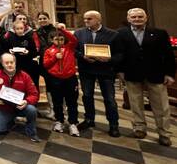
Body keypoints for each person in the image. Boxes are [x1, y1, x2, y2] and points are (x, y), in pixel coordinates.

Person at [115, 8, 175, 146]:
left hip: (155, 73)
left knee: (161, 105)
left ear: (146, 18)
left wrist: (169, 74)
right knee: (136, 103)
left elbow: (168, 55)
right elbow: (119, 53)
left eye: (140, 17)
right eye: (134, 17)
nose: (137, 19)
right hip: (132, 73)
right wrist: (120, 71)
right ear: (128, 18)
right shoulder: (120, 33)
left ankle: (164, 133)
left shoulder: (159, 33)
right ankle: (140, 128)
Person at [74, 10, 120, 137]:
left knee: (109, 99)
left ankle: (113, 124)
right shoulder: (79, 33)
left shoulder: (113, 34)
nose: (86, 21)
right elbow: (74, 50)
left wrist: (109, 59)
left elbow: (120, 54)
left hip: (105, 70)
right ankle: (89, 119)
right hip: (86, 70)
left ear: (98, 20)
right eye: (85, 19)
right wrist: (83, 56)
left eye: (89, 19)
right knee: (87, 96)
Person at [0, 53, 40, 142]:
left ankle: (31, 130)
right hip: (5, 108)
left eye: (11, 62)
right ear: (2, 64)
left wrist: (26, 101)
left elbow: (35, 94)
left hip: (21, 107)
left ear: (15, 63)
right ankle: (11, 119)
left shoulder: (24, 76)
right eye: (6, 63)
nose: (9, 65)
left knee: (32, 110)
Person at [43, 24, 80, 137]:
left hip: (70, 79)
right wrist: (55, 57)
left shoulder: (69, 47)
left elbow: (74, 39)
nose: (59, 41)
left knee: (72, 102)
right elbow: (46, 64)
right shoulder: (49, 51)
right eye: (56, 39)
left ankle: (73, 122)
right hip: (55, 79)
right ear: (52, 40)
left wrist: (63, 30)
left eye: (61, 39)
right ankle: (59, 120)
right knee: (57, 102)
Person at [0, 21, 40, 89]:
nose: (20, 30)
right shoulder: (10, 38)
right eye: (18, 29)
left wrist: (27, 52)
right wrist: (10, 52)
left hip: (27, 65)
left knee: (28, 83)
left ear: (24, 29)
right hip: (16, 65)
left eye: (21, 28)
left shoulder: (29, 38)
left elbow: (34, 52)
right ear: (14, 29)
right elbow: (5, 48)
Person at [33, 12, 56, 119]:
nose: (42, 20)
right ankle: (52, 109)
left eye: (44, 18)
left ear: (49, 19)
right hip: (43, 61)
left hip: (55, 60)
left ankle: (58, 110)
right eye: (40, 18)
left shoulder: (56, 30)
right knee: (48, 86)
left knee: (55, 86)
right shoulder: (36, 32)